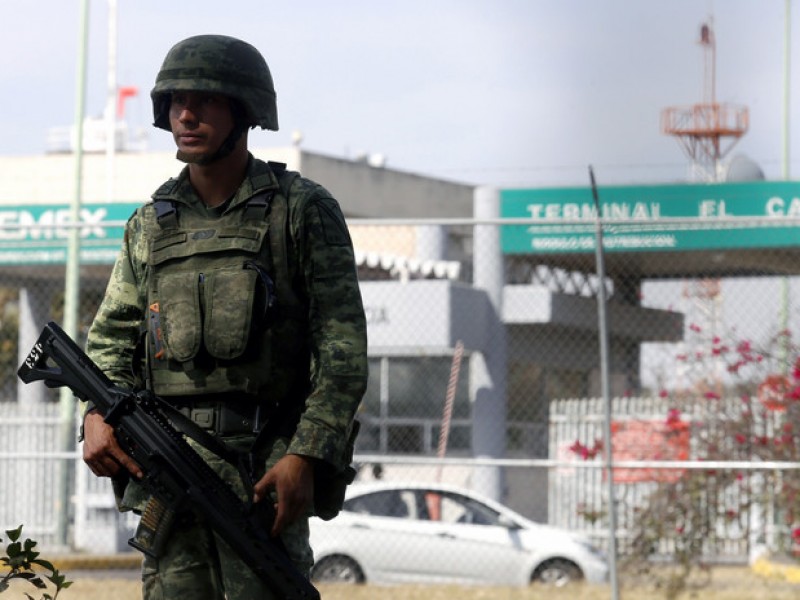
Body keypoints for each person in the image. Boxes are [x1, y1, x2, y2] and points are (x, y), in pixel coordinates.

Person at [80, 34, 368, 599]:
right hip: (167, 470)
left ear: (246, 110)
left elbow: (341, 352)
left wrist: (305, 454)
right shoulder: (150, 225)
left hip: (262, 477)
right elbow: (111, 340)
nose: (185, 114)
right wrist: (97, 413)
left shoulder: (301, 210)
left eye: (205, 101)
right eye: (176, 101)